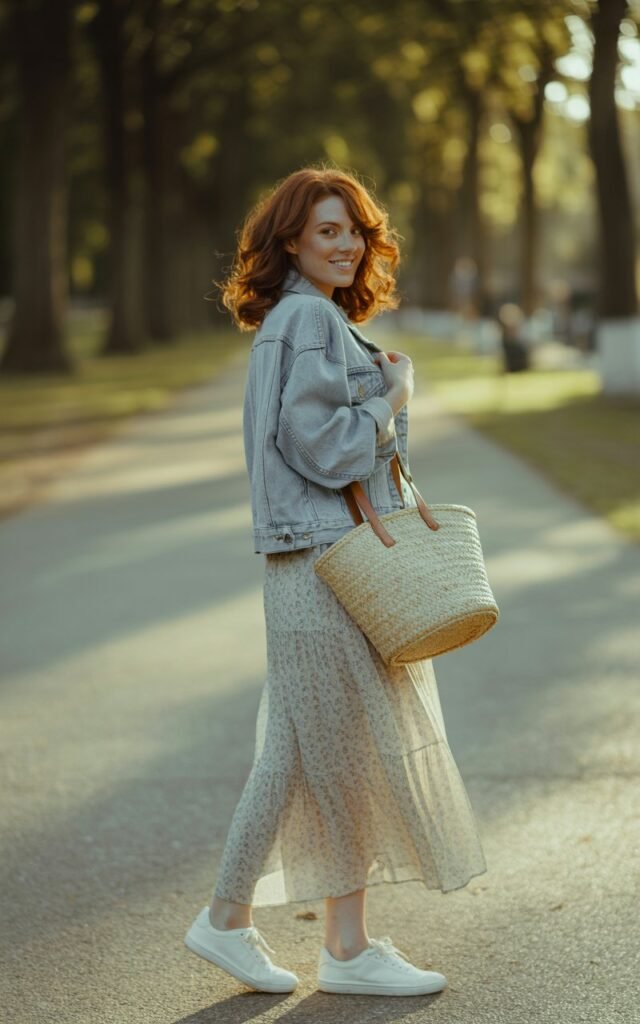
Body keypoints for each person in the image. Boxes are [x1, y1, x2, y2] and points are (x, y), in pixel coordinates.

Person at [184, 167, 487, 997]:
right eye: (328, 230)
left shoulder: (300, 320)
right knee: (323, 753)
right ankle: (243, 923)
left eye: (354, 228)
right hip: (328, 566)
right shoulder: (311, 318)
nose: (348, 243)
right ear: (291, 242)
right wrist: (392, 399)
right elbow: (323, 449)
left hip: (315, 562)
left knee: (307, 751)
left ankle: (330, 944)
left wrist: (379, 395)